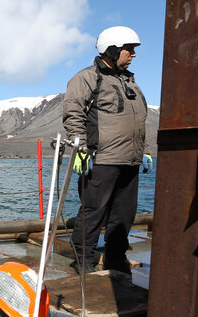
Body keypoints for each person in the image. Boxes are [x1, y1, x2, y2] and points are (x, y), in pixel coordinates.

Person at [62, 26, 151, 275]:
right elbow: (73, 115)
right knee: (93, 212)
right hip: (101, 159)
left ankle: (115, 258)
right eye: (129, 49)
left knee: (124, 214)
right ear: (112, 49)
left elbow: (139, 120)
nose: (133, 54)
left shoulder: (130, 81)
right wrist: (81, 149)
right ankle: (83, 260)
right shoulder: (87, 78)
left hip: (130, 161)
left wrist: (144, 151)